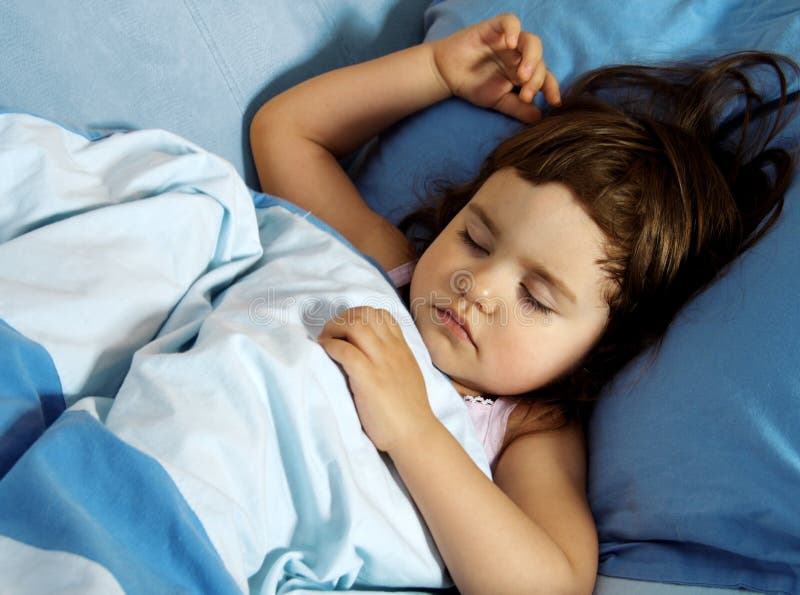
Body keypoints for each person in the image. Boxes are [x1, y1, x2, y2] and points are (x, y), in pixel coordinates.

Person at [249, 13, 798, 595]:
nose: (477, 286)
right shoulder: (390, 272)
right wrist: (436, 70)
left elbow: (550, 585)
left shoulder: (526, 429)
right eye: (475, 239)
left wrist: (413, 428)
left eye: (535, 298)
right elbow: (285, 132)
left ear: (599, 347)